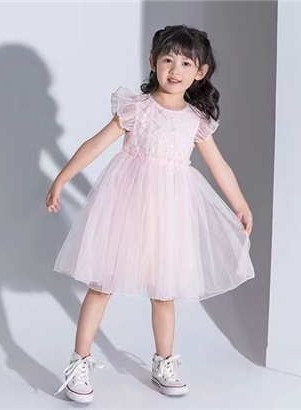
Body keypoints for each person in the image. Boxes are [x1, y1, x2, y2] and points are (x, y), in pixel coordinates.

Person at [46, 24, 255, 403]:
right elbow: (96, 144)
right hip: (124, 205)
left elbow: (219, 166)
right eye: (168, 60)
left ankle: (164, 363)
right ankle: (80, 361)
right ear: (153, 62)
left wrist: (239, 203)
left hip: (169, 211)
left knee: (164, 290)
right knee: (102, 283)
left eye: (186, 63)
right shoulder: (137, 108)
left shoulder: (195, 119)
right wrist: (62, 178)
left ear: (200, 72)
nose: (175, 70)